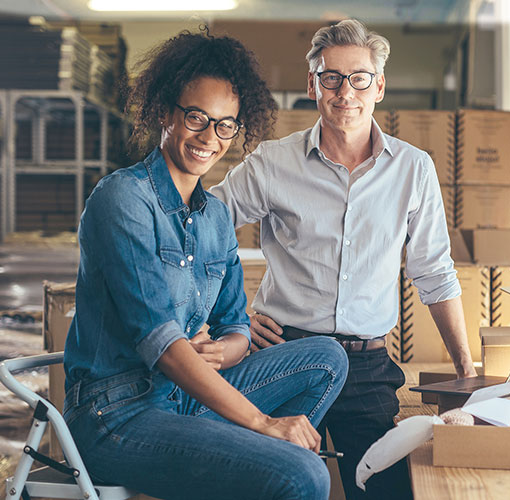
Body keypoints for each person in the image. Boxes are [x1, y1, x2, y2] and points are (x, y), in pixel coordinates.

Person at [62, 30, 348, 500]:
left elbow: (235, 325)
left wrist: (224, 351)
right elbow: (162, 343)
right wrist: (263, 424)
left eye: (224, 125)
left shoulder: (214, 214)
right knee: (303, 475)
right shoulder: (123, 200)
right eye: (196, 117)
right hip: (116, 416)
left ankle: (249, 465)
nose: (208, 138)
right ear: (163, 113)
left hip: (187, 399)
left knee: (327, 358)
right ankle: (266, 463)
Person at [210, 19, 477, 499]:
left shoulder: (414, 169)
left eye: (358, 78)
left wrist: (466, 370)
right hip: (283, 357)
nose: (344, 91)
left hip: (367, 366)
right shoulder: (273, 163)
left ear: (379, 86)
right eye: (331, 77)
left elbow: (434, 273)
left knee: (384, 491)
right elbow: (201, 233)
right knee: (275, 489)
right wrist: (232, 321)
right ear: (313, 84)